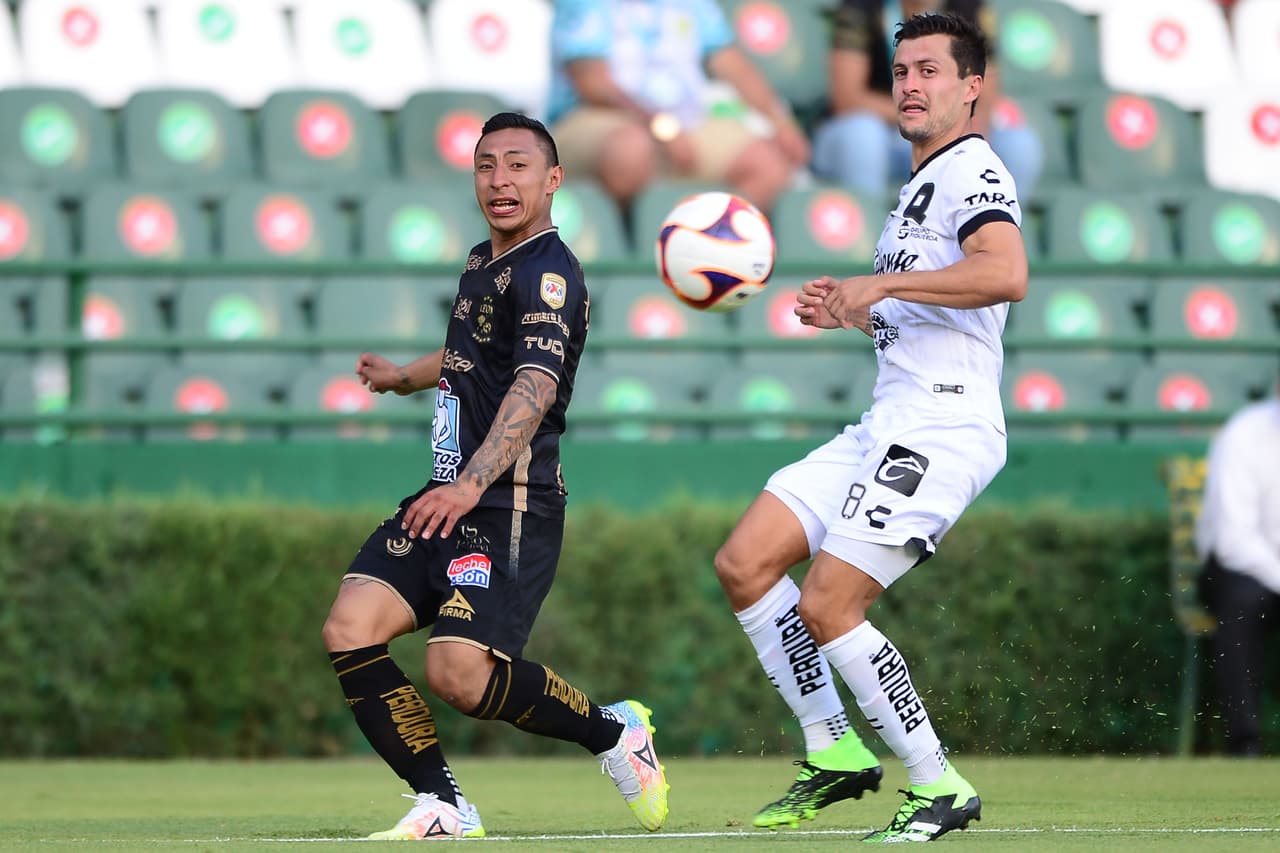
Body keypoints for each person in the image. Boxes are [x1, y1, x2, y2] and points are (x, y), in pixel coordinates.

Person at [714, 13, 1027, 842]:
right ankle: (836, 750)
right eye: (902, 72)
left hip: (945, 420)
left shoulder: (973, 169)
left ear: (971, 86)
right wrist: (856, 309)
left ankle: (937, 783)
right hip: (892, 414)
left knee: (829, 601)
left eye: (931, 70)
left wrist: (880, 290)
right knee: (746, 561)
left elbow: (1006, 273)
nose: (912, 85)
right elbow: (934, 303)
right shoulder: (917, 187)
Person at [320, 112, 669, 840]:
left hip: (508, 504)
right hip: (449, 494)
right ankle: (445, 803)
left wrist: (471, 485)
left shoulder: (548, 271)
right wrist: (404, 378)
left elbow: (533, 387)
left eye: (516, 165)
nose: (500, 180)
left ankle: (613, 732)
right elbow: (470, 358)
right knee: (350, 626)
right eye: (486, 165)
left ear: (552, 180)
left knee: (459, 676)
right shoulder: (484, 259)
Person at [546, 0, 810, 214]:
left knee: (769, 164)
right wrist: (662, 128)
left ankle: (708, 248)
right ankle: (635, 256)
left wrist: (781, 121)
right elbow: (593, 84)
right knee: (630, 151)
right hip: (598, 117)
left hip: (687, 119)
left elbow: (733, 66)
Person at [812, 0, 1042, 201]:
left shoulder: (970, 8)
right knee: (861, 136)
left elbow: (983, 93)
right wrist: (925, 114)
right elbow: (847, 99)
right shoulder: (862, 5)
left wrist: (951, 133)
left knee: (1019, 144)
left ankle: (994, 243)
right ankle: (869, 241)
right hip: (883, 134)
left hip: (946, 130)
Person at [1196, 384, 1280, 757]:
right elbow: (1233, 542)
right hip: (1239, 570)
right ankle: (1244, 740)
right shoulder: (1244, 434)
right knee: (1242, 599)